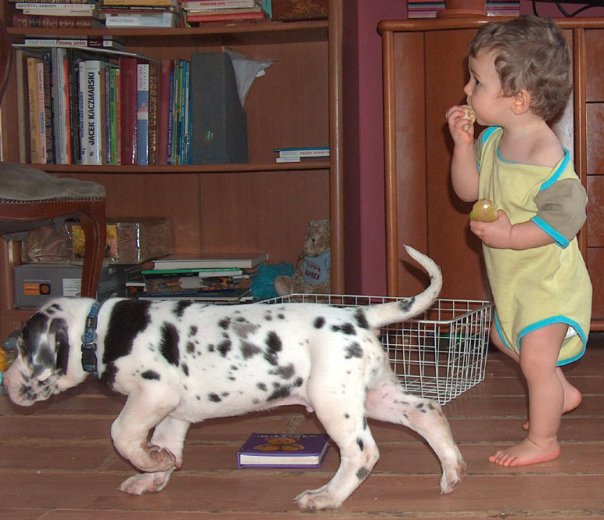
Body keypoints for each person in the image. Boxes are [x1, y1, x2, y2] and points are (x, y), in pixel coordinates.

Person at [445, 15, 592, 467]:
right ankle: (561, 392)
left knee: (535, 360)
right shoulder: (493, 140)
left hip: (550, 284)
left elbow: (566, 217)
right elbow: (468, 191)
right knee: (501, 334)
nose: (467, 89)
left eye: (477, 81)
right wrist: (463, 146)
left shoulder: (545, 156)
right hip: (516, 282)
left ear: (519, 99)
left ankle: (544, 441)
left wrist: (510, 235)